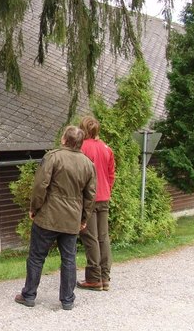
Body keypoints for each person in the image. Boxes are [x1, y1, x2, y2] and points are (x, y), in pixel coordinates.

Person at [15, 125, 97, 311]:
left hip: (48, 216)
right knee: (69, 259)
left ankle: (28, 295)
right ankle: (67, 300)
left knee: (36, 257)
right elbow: (90, 195)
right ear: (80, 143)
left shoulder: (53, 157)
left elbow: (40, 186)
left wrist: (34, 208)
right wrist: (84, 218)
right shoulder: (88, 164)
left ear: (64, 140)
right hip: (71, 218)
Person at [77, 115, 116, 291]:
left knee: (90, 237)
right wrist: (106, 190)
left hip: (88, 198)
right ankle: (105, 277)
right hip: (104, 197)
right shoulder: (106, 148)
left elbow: (79, 175)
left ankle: (93, 278)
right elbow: (111, 175)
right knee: (103, 237)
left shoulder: (81, 148)